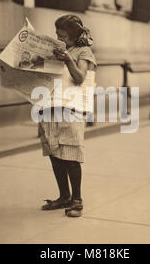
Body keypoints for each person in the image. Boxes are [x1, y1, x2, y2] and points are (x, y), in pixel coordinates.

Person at [38, 14, 97, 217]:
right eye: (56, 34)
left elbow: (80, 77)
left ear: (72, 35)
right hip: (50, 106)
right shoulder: (57, 51)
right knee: (55, 154)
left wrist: (68, 60)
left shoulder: (83, 52)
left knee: (71, 156)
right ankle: (64, 196)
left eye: (61, 35)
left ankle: (77, 200)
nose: (58, 37)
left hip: (71, 108)